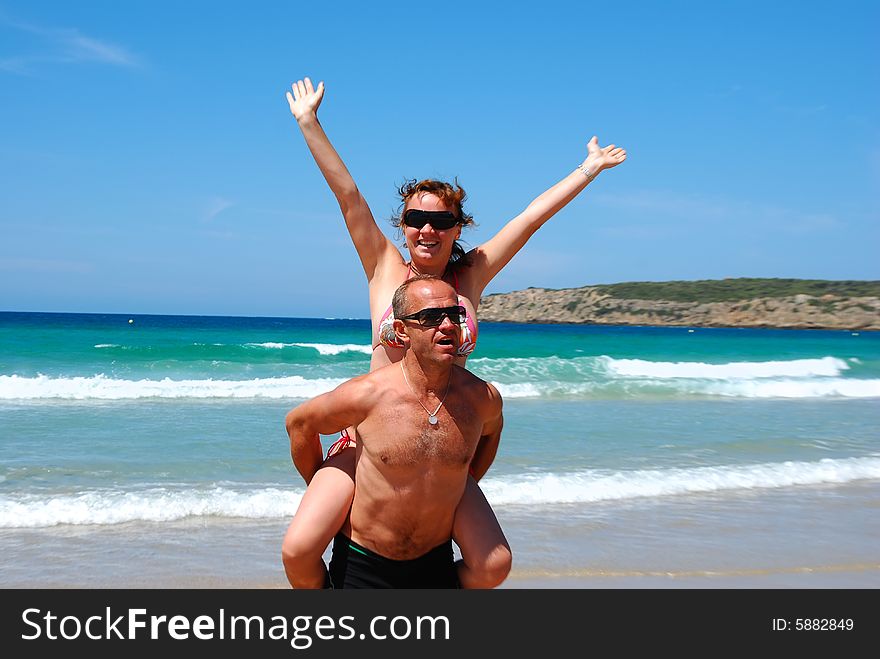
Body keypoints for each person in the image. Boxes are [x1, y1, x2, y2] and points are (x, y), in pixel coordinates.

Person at [281, 76, 626, 589]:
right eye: (416, 218)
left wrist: (588, 170)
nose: (426, 229)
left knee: (493, 565)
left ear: (458, 228)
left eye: (440, 222)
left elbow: (530, 220)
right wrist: (310, 123)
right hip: (368, 438)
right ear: (403, 225)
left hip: (442, 434)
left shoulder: (470, 277)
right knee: (300, 548)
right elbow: (348, 196)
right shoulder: (384, 270)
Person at [285, 276, 504, 588]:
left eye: (454, 315)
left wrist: (462, 481)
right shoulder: (368, 395)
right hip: (362, 562)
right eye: (429, 317)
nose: (446, 325)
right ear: (402, 331)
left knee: (497, 564)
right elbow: (300, 423)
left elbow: (493, 428)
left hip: (432, 560)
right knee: (296, 552)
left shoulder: (481, 397)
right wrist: (318, 480)